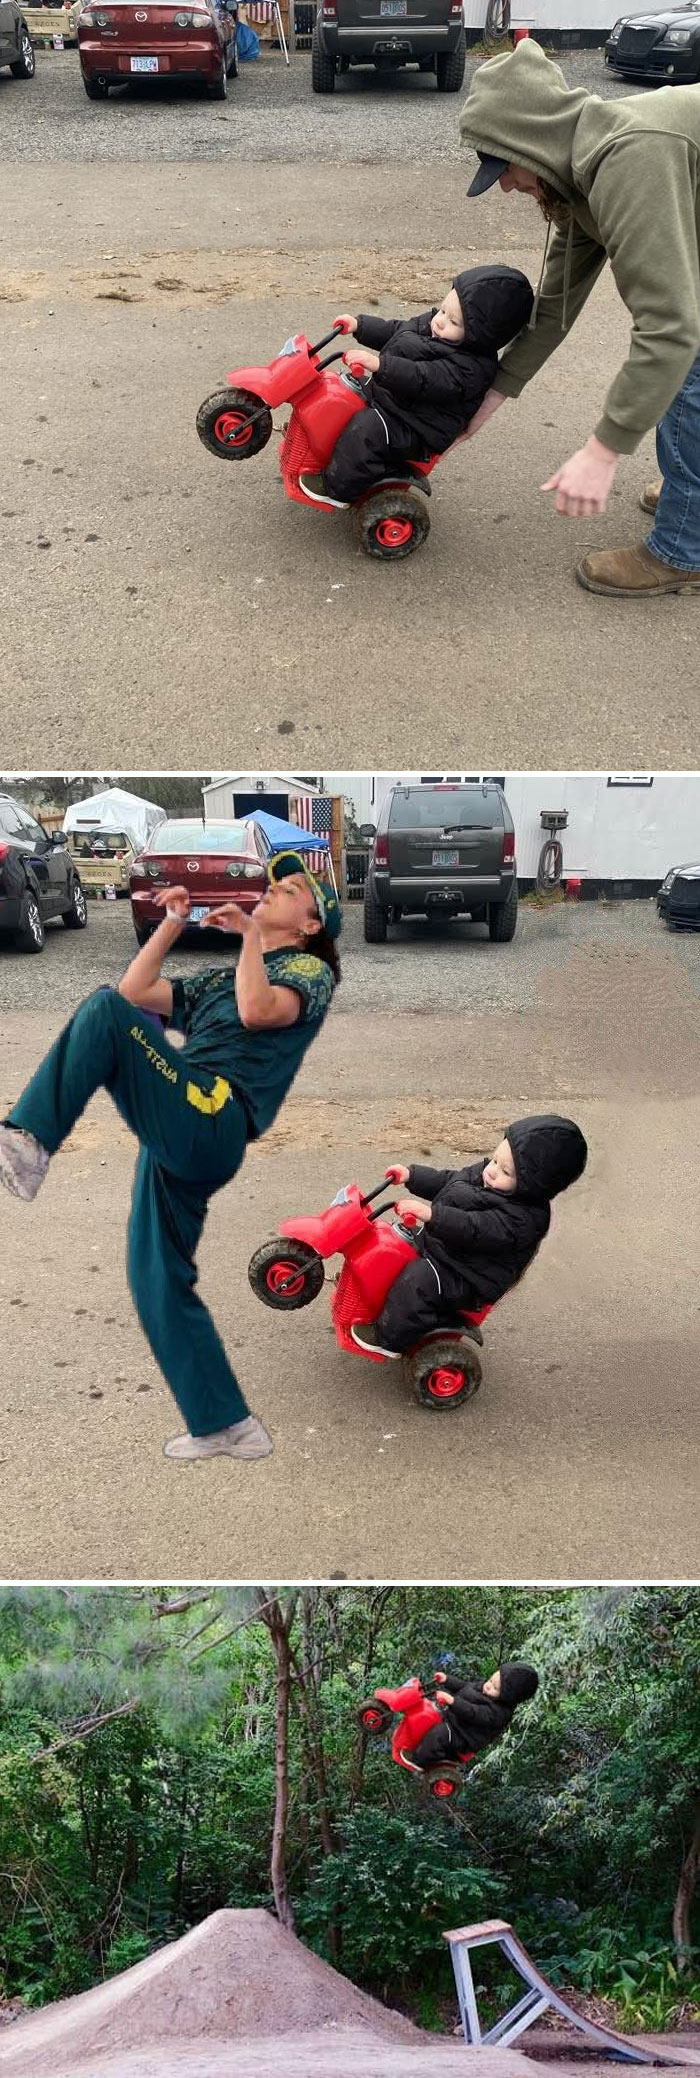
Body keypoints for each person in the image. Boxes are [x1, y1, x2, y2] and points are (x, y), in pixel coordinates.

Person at [0, 853, 341, 1464]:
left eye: (286, 891)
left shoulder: (309, 972)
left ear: (309, 924)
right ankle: (226, 1425)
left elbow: (258, 1012)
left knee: (102, 1011)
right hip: (184, 1111)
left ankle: (29, 1139)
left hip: (214, 1115)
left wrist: (248, 943)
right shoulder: (221, 976)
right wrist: (172, 925)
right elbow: (139, 993)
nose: (269, 892)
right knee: (156, 1277)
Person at [459, 39, 700, 598]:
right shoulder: (577, 180)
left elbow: (670, 330)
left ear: (532, 139)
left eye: (504, 164)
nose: (505, 184)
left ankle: (685, 549)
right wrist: (497, 391)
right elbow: (557, 302)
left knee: (688, 371)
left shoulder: (629, 157)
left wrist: (603, 450)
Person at [299, 263, 534, 509]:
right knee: (340, 389)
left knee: (367, 430)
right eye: (443, 310)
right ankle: (316, 440)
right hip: (397, 400)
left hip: (417, 425)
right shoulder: (433, 325)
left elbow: (424, 377)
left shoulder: (471, 368)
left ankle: (336, 488)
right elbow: (398, 331)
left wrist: (380, 365)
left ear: (482, 335)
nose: (441, 321)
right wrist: (361, 326)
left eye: (454, 321)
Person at [350, 1115, 587, 1357]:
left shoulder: (523, 1218)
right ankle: (371, 1291)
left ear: (533, 1186)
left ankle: (389, 1338)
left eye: (505, 1170)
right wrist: (412, 1176)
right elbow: (450, 1181)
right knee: (394, 1241)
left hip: (468, 1274)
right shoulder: (487, 1175)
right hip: (449, 1249)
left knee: (419, 1281)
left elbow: (475, 1228)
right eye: (495, 1160)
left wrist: (432, 1215)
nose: (492, 1171)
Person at [410, 1661, 540, 1772]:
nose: (488, 1685)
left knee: (439, 1734)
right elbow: (465, 1687)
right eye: (490, 1680)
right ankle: (413, 1739)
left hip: (462, 1735)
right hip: (453, 1719)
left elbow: (473, 1712)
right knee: (426, 1712)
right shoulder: (484, 1688)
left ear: (506, 1697)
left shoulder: (498, 1713)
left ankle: (420, 1761)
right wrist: (447, 1680)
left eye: (494, 1687)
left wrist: (452, 1701)